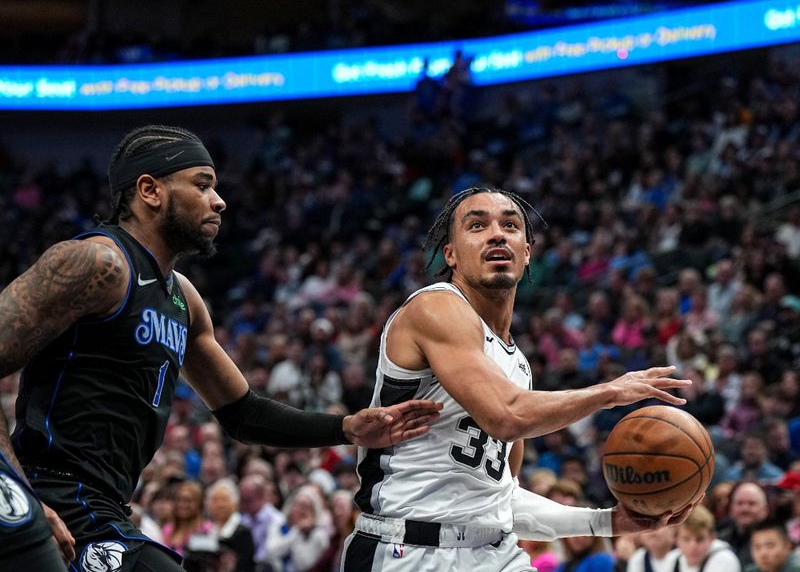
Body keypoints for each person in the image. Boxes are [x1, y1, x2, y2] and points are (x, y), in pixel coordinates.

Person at [0, 125, 442, 571]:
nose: (219, 200)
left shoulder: (184, 300)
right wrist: (19, 497)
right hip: (47, 494)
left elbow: (242, 414)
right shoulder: (97, 264)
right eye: (202, 184)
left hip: (102, 509)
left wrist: (346, 428)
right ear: (150, 190)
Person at [341, 187, 697, 571]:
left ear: (526, 253)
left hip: (494, 552)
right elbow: (505, 417)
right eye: (476, 225)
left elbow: (502, 501)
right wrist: (610, 392)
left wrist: (605, 520)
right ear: (451, 255)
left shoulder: (519, 367)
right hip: (405, 550)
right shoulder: (436, 306)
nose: (497, 233)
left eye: (510, 225)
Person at [672, 505, 740, 572]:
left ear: (712, 538)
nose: (693, 546)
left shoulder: (725, 560)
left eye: (700, 539)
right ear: (676, 539)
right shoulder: (671, 559)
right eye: (686, 539)